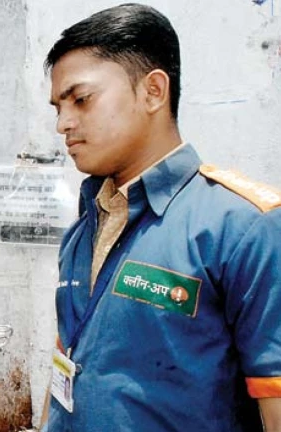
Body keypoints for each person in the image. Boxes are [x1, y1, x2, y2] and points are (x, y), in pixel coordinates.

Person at [41, 3, 281, 431]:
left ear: (153, 91)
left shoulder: (242, 228)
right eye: (58, 106)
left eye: (80, 99)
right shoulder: (87, 223)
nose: (63, 123)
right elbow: (67, 358)